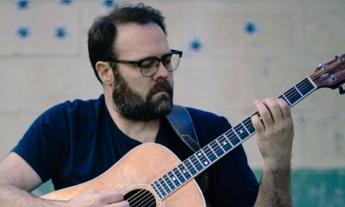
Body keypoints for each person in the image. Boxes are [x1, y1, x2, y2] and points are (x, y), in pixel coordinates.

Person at [0, 3, 294, 207]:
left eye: (166, 60)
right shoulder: (66, 124)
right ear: (106, 72)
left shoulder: (209, 131)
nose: (164, 73)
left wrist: (277, 163)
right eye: (147, 64)